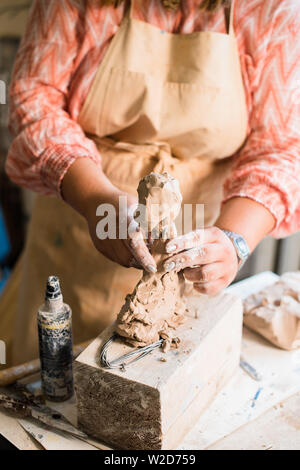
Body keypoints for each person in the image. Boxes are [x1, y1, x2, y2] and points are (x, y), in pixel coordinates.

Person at [2, 0, 300, 365]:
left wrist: (233, 241)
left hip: (195, 236)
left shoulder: (271, 11)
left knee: (161, 373)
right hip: (79, 224)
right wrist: (96, 198)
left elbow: (282, 149)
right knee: (47, 382)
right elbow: (32, 100)